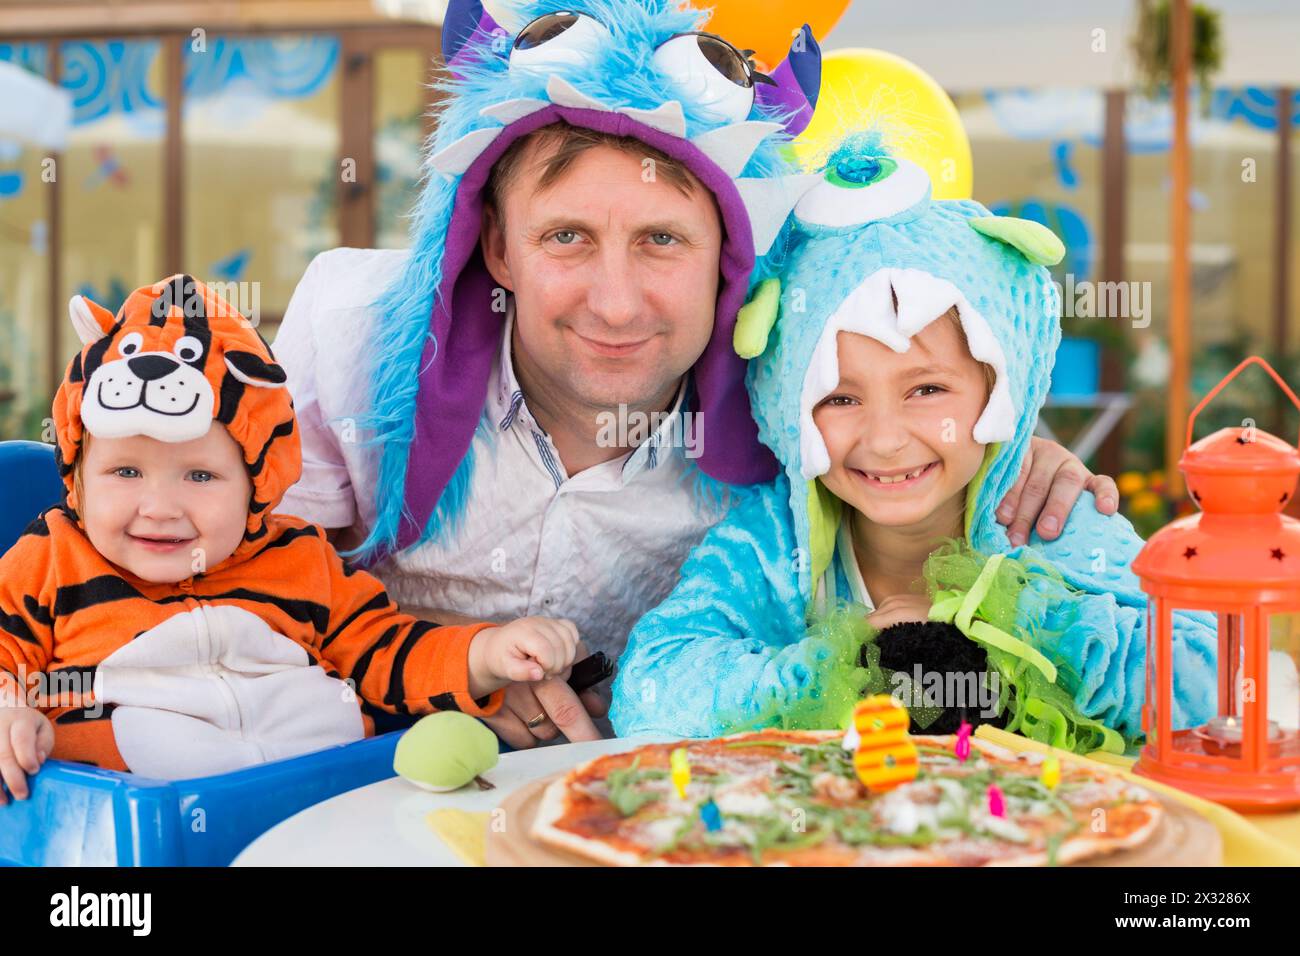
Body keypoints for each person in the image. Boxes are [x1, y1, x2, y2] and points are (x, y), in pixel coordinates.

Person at [273, 0, 1120, 748]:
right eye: (566, 237)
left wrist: (1020, 457)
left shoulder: (792, 405)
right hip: (355, 764)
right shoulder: (354, 332)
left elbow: (910, 389)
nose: (614, 304)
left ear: (730, 257)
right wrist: (444, 661)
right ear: (496, 244)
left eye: (662, 240)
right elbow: (229, 582)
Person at [610, 134, 1216, 743]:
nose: (886, 440)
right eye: (840, 399)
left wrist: (991, 628)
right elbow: (649, 693)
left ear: (999, 389)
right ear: (787, 413)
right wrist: (842, 660)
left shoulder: (1049, 518)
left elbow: (1208, 674)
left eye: (926, 391)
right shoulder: (771, 543)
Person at [0, 276, 579, 800]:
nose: (159, 508)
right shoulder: (52, 559)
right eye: (125, 472)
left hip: (323, 809)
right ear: (76, 475)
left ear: (257, 482)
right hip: (141, 824)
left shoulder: (298, 559)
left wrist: (484, 653)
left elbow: (385, 652)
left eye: (200, 476)